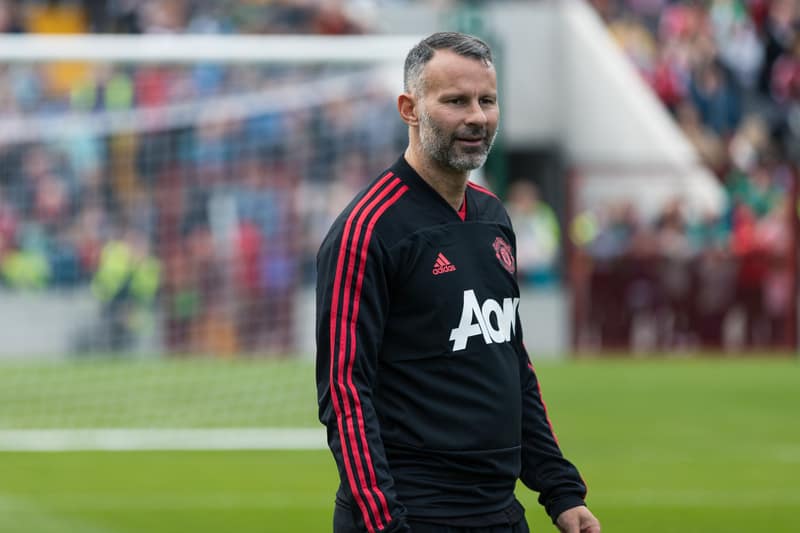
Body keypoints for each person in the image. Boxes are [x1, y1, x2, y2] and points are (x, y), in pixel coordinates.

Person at [316, 32, 601, 533]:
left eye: (487, 100)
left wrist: (559, 489)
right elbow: (344, 391)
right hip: (411, 513)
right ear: (409, 108)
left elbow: (511, 363)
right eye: (455, 101)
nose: (477, 116)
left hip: (498, 511)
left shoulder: (493, 217)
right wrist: (385, 521)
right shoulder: (366, 231)